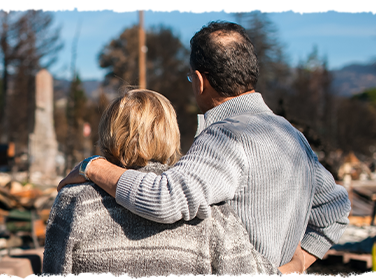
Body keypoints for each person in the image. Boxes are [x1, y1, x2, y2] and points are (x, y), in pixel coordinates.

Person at [57, 21, 351, 278]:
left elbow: (165, 198)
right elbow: (336, 209)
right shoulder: (291, 136)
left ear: (199, 81)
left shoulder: (226, 136)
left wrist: (93, 166)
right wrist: (297, 263)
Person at [43, 89, 304, 280]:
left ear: (108, 133)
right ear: (171, 134)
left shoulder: (73, 201)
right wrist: (295, 267)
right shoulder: (209, 210)